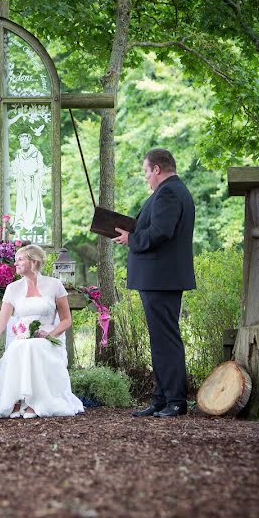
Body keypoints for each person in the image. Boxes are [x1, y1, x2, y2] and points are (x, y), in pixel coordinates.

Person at [113, 148, 195, 417]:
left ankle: (175, 401)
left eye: (147, 172)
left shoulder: (169, 192)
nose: (146, 177)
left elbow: (161, 232)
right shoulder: (171, 191)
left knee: (166, 340)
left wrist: (131, 240)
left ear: (157, 169)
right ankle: (161, 398)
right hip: (159, 278)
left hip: (161, 278)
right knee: (159, 340)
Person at [0, 244, 84, 418]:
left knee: (34, 347)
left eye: (20, 259)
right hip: (22, 338)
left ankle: (36, 402)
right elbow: (0, 322)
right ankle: (16, 400)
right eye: (15, 260)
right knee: (20, 347)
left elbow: (66, 320)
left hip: (48, 338)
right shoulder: (13, 288)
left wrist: (51, 334)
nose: (16, 263)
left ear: (33, 262)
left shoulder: (55, 285)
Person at [11, 133, 47, 232]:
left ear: (29, 141)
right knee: (21, 200)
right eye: (21, 141)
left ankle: (36, 219)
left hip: (34, 180)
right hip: (22, 180)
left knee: (34, 199)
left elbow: (41, 167)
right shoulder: (19, 154)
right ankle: (20, 221)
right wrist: (17, 176)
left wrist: (39, 177)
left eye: (25, 140)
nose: (23, 142)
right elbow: (16, 167)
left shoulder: (36, 153)